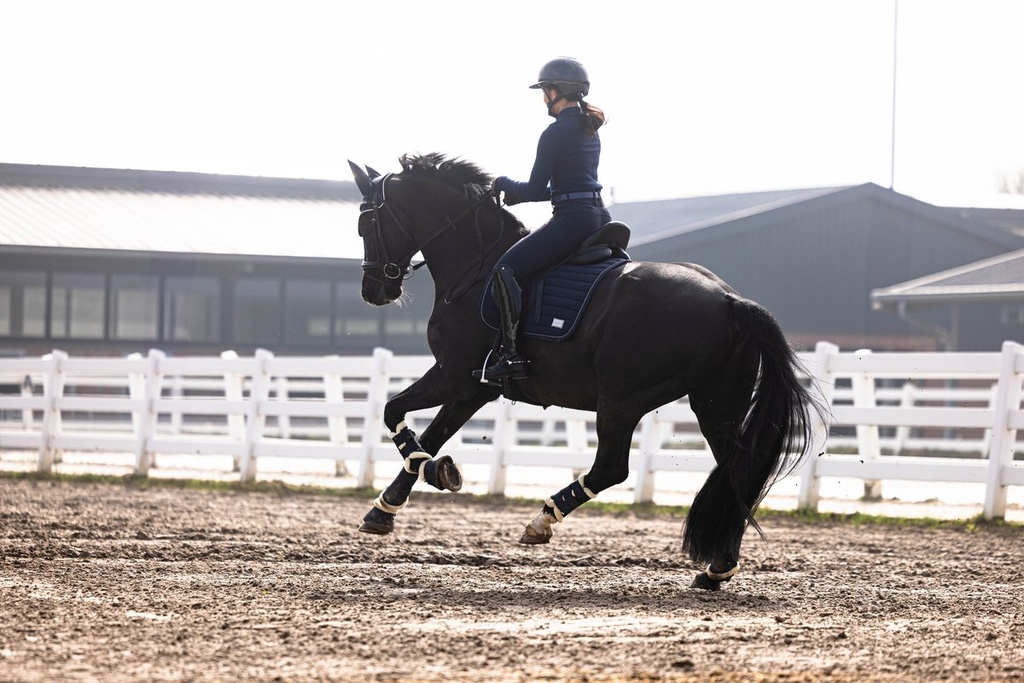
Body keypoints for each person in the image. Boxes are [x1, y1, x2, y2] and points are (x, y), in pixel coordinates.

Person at [476, 57, 611, 383]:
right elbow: (568, 184)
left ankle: (511, 357)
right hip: (600, 218)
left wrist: (504, 184)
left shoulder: (554, 133)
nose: (543, 98)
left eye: (545, 91)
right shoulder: (589, 129)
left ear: (556, 91)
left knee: (505, 269)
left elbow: (537, 189)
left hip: (572, 221)